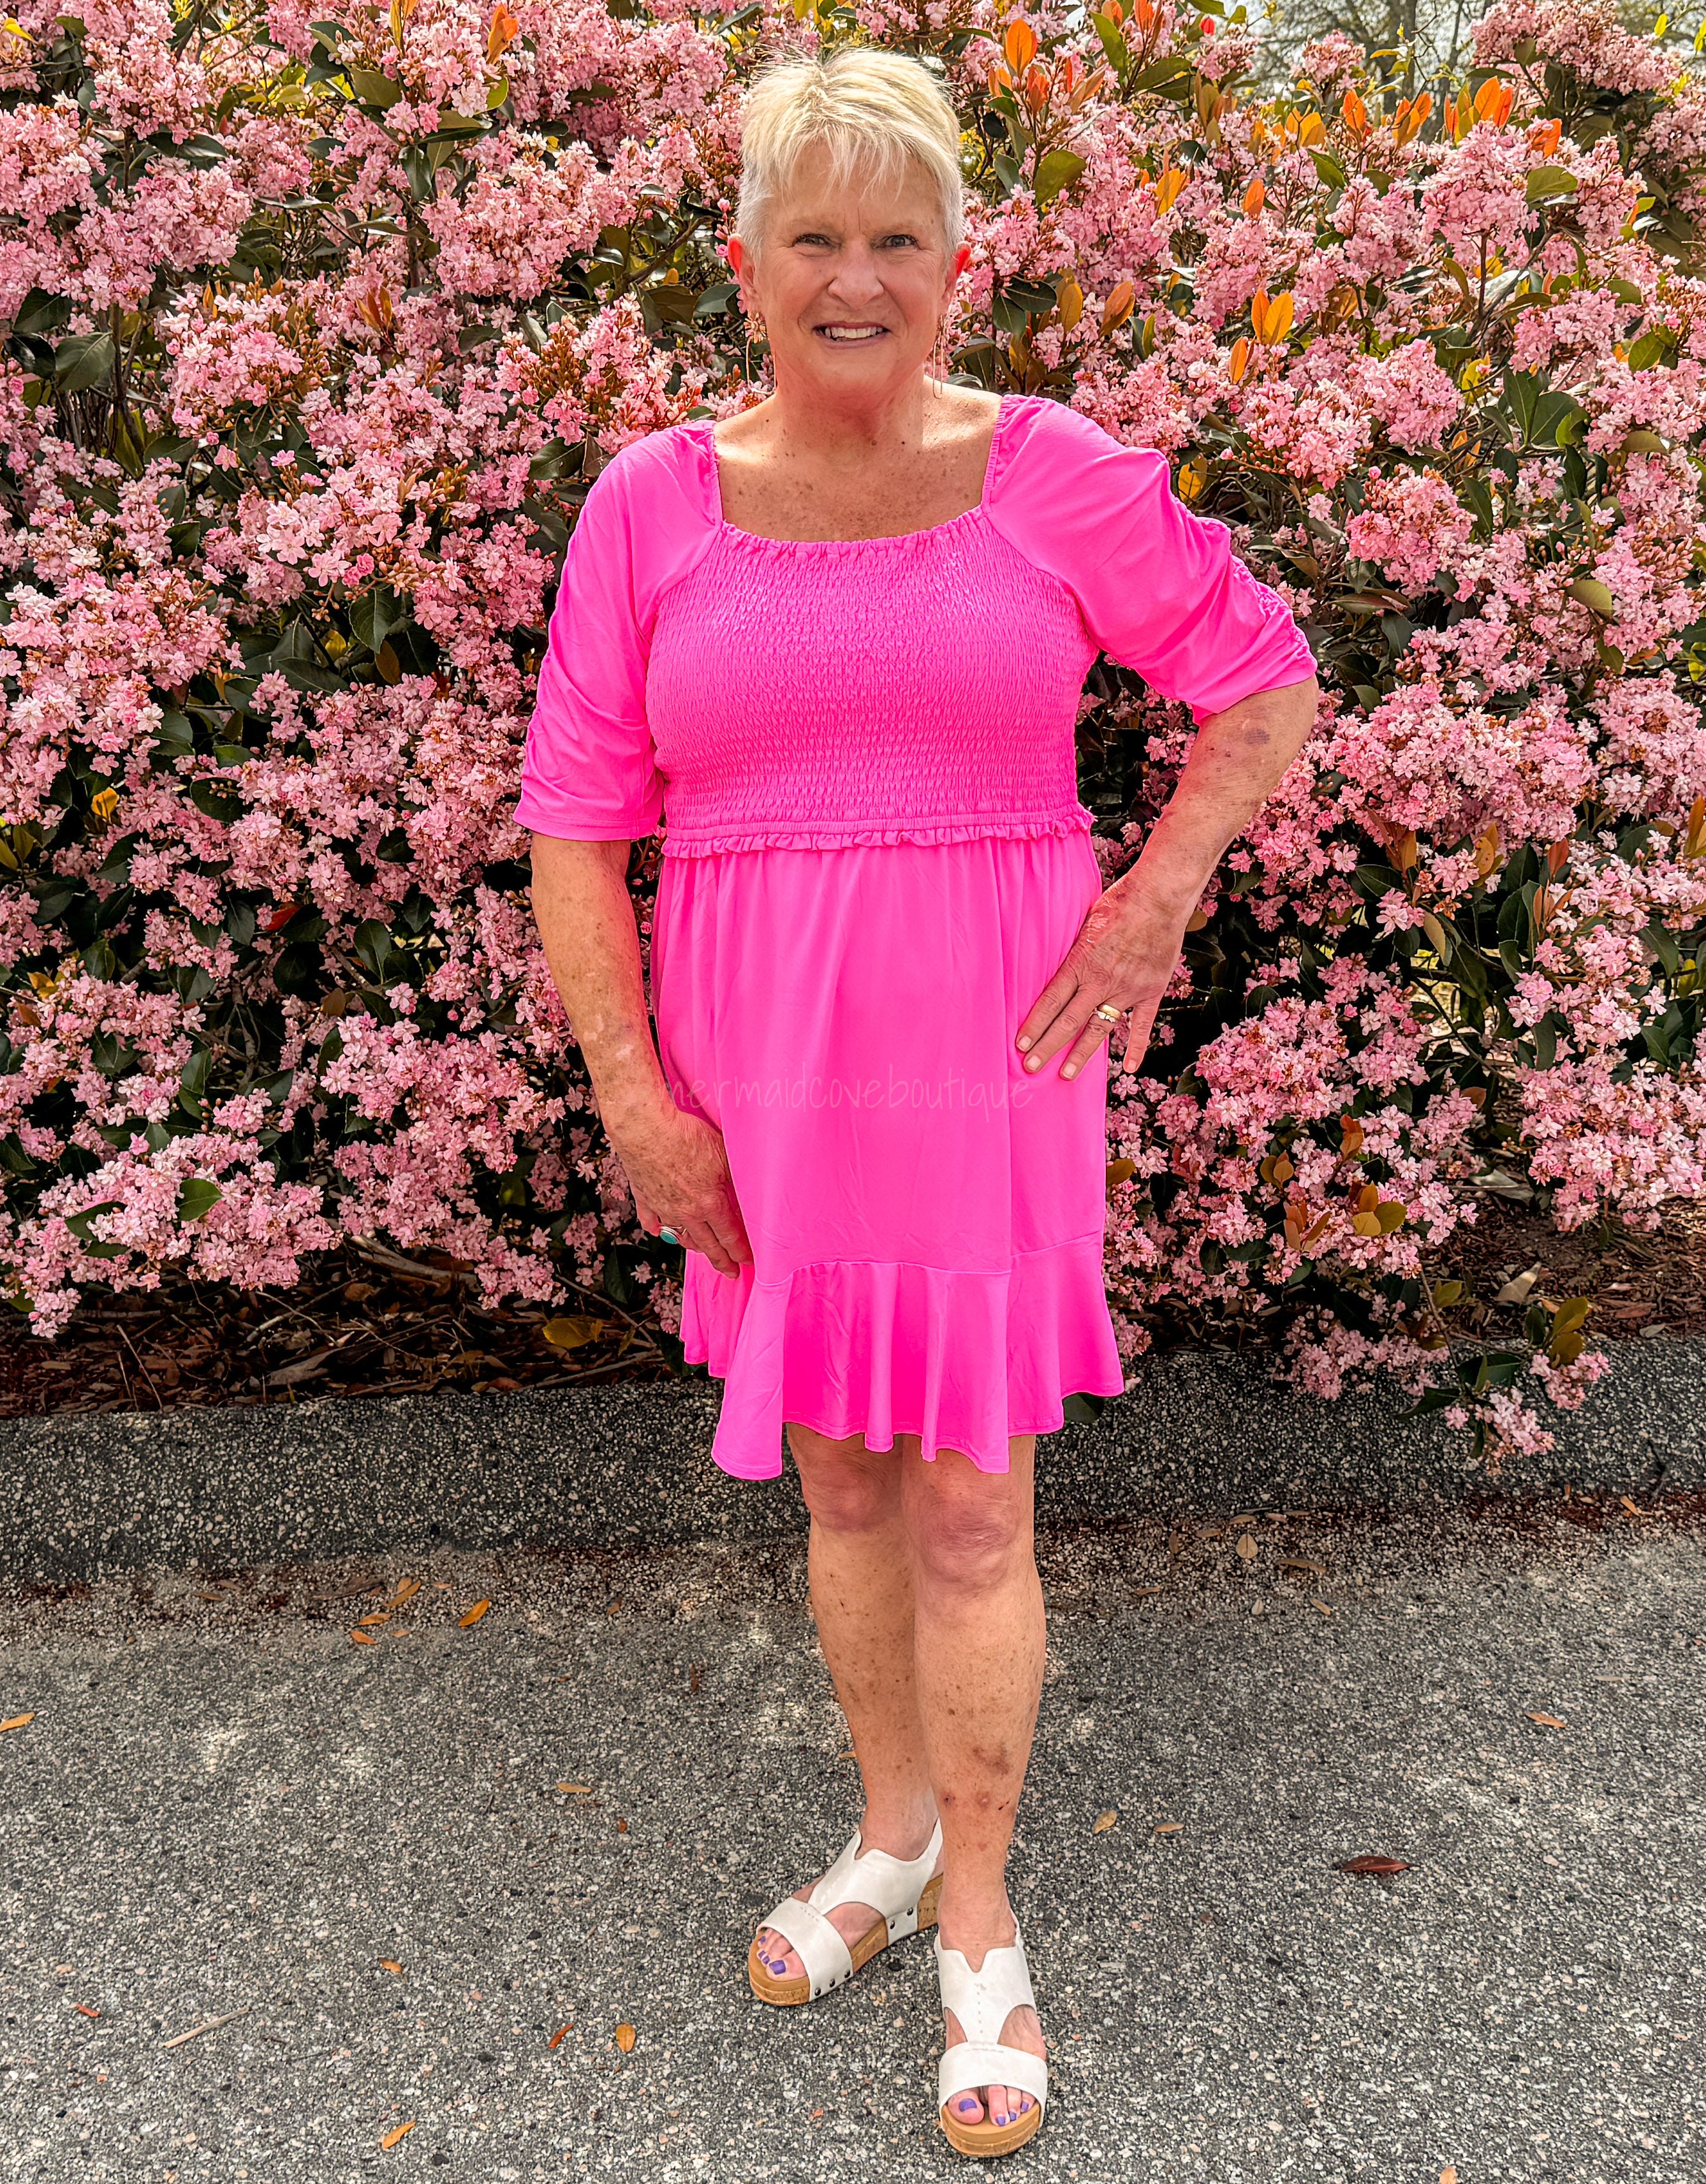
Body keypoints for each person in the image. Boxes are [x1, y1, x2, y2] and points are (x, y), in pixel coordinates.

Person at [513, 43, 1320, 2161]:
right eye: (814, 237)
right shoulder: (648, 502)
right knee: (842, 1488)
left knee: (968, 1498)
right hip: (755, 1077)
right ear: (746, 264)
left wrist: (1149, 902)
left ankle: (977, 1918)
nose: (853, 277)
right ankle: (882, 1841)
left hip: (992, 1059)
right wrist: (631, 1093)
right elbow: (576, 824)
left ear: (960, 266)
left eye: (897, 238)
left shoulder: (1048, 473)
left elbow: (1259, 683)